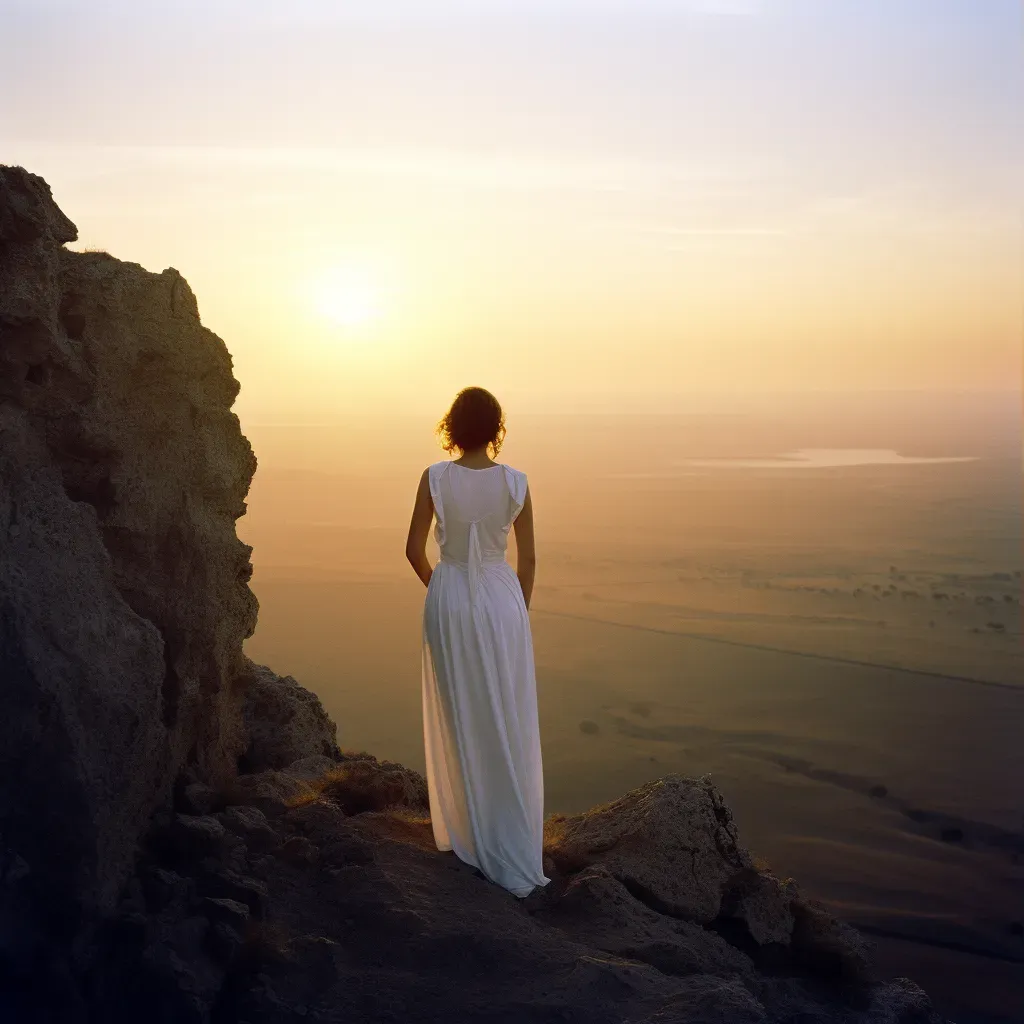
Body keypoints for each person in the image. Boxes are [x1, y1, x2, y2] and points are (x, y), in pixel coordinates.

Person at [404, 386, 551, 899]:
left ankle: (468, 831)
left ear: (452, 427)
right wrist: (514, 612)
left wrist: (445, 590)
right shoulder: (516, 483)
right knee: (506, 714)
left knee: (460, 709)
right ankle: (509, 833)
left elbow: (412, 550)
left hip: (449, 597)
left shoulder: (435, 477)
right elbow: (528, 561)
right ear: (495, 429)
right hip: (504, 600)